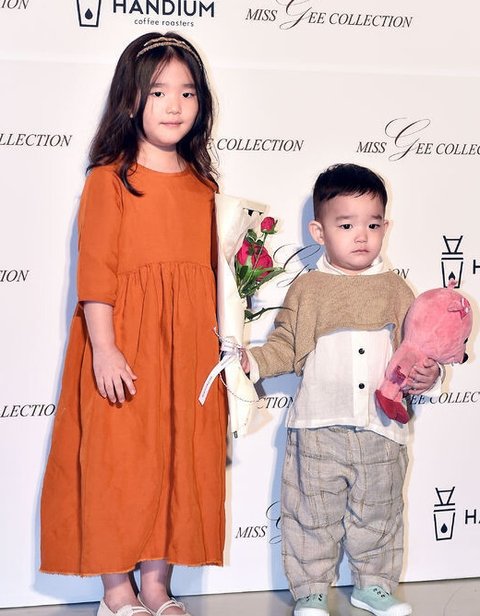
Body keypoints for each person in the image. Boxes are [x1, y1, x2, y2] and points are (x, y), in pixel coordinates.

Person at [40, 32, 227, 616]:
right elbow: (96, 275)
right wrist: (105, 349)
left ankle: (156, 587)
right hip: (125, 347)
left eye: (187, 93)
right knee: (119, 463)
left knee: (174, 461)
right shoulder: (109, 179)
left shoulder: (205, 188)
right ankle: (116, 592)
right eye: (159, 91)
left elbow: (212, 280)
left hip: (187, 351)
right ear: (131, 100)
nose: (175, 106)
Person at [241, 163, 440, 616]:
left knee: (379, 513)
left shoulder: (396, 289)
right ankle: (311, 589)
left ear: (386, 227)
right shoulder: (308, 289)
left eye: (373, 225)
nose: (361, 236)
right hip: (317, 427)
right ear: (319, 231)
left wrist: (428, 375)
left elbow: (418, 350)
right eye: (346, 225)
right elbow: (285, 346)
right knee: (311, 514)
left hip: (381, 429)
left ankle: (374, 586)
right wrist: (253, 362)